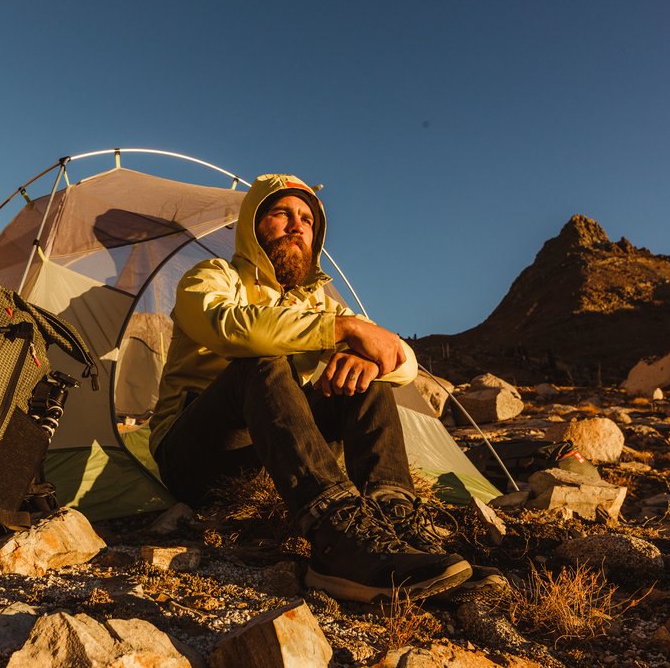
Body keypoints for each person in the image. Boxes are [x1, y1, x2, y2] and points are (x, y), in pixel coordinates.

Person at [148, 173, 471, 603]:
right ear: (253, 225)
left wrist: (369, 357)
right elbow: (228, 328)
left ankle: (398, 531)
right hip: (195, 457)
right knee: (261, 360)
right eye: (282, 214)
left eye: (307, 220)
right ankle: (336, 541)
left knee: (366, 377)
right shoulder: (213, 277)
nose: (297, 226)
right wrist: (343, 329)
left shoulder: (319, 302)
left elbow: (402, 361)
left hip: (275, 455)